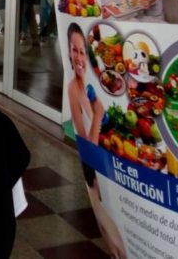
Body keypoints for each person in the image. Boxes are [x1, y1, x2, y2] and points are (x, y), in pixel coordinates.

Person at [66, 22, 126, 259]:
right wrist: (99, 116)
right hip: (94, 180)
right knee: (117, 245)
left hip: (105, 173)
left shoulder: (90, 87)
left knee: (119, 246)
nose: (79, 57)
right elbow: (87, 150)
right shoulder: (73, 89)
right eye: (74, 50)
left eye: (82, 51)